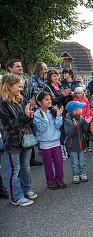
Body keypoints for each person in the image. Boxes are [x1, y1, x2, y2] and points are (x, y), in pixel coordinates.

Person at [0, 74, 37, 206]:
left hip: (25, 139)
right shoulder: (2, 104)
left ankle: (26, 189)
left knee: (26, 167)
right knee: (14, 171)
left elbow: (26, 119)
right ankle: (15, 197)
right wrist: (25, 117)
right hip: (12, 143)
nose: (21, 89)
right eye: (19, 86)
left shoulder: (21, 100)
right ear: (9, 87)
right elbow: (7, 125)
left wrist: (30, 116)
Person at [7, 59, 41, 166]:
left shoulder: (26, 80)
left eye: (21, 66)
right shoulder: (5, 81)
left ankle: (31, 158)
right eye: (17, 66)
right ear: (10, 68)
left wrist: (33, 100)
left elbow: (33, 91)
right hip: (14, 112)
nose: (20, 68)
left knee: (29, 132)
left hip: (27, 108)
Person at [34, 92, 66, 190]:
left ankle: (59, 180)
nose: (49, 101)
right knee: (48, 164)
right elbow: (42, 129)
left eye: (49, 99)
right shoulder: (37, 114)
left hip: (55, 141)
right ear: (40, 102)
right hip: (45, 143)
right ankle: (50, 181)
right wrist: (44, 118)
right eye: (46, 99)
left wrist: (59, 115)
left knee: (59, 162)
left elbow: (57, 126)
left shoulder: (52, 111)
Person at [64, 101, 92, 184]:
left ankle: (83, 173)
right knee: (74, 161)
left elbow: (85, 130)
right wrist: (74, 126)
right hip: (72, 145)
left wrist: (86, 124)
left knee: (82, 160)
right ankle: (75, 174)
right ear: (74, 111)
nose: (82, 110)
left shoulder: (81, 118)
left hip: (81, 144)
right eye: (80, 108)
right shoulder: (67, 121)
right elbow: (69, 133)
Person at [73, 87, 92, 152]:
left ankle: (88, 145)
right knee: (80, 133)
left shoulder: (86, 100)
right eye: (78, 93)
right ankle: (83, 146)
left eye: (81, 93)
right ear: (75, 94)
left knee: (86, 132)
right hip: (78, 118)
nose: (79, 95)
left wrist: (87, 116)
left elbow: (88, 108)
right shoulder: (74, 101)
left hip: (85, 118)